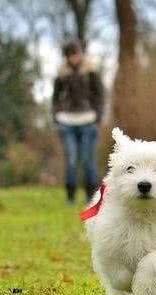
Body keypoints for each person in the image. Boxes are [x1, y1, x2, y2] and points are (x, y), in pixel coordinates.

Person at [52, 41, 104, 204]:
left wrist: (97, 116)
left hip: (88, 121)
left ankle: (91, 196)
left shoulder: (91, 72)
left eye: (75, 54)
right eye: (70, 55)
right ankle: (70, 196)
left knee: (88, 160)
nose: (73, 57)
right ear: (66, 57)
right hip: (66, 122)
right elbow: (55, 97)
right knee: (71, 159)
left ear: (80, 54)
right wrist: (56, 115)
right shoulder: (61, 74)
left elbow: (100, 94)